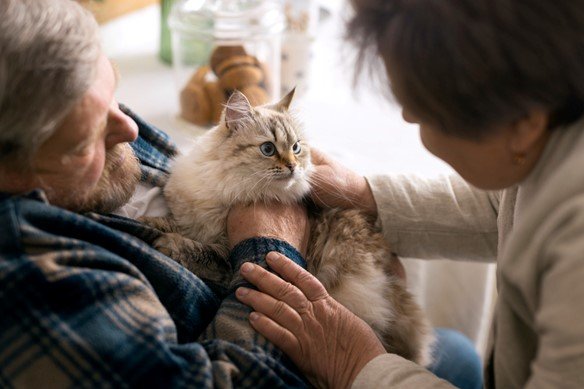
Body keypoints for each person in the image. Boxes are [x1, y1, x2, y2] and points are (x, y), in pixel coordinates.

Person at [232, 0, 584, 388]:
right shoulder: (549, 128)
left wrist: (355, 364)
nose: (408, 118)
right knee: (460, 353)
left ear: (523, 123)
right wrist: (367, 196)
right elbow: (505, 206)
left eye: (424, 108)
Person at [0, 0, 312, 386]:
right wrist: (272, 251)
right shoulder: (36, 291)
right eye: (86, 139)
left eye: (112, 89)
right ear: (10, 171)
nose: (130, 128)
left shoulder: (68, 106)